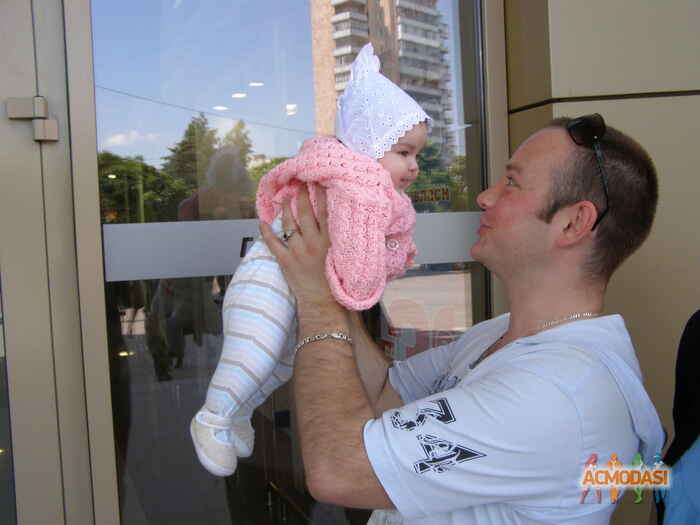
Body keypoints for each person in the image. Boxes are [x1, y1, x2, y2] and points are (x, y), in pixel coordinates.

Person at [261, 113, 665, 524]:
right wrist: (334, 278)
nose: (485, 197)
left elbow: (340, 472)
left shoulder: (557, 394)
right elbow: (384, 393)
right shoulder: (501, 335)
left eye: (512, 183)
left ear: (573, 223)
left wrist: (318, 302)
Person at [190, 43, 432, 477]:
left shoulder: (363, 186)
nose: (414, 166)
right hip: (270, 278)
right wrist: (385, 257)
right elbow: (359, 278)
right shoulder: (360, 189)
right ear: (368, 146)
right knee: (254, 353)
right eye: (403, 152)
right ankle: (212, 416)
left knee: (283, 362)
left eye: (417, 155)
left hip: (294, 283)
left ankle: (237, 413)